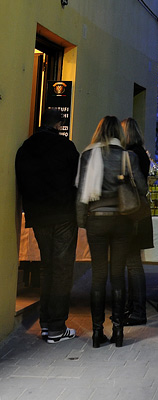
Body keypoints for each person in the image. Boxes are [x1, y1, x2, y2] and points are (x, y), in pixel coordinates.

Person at [76, 115, 147, 348]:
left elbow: (80, 193)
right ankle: (118, 331)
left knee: (98, 276)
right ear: (118, 132)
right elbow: (143, 188)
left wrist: (82, 222)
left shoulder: (88, 155)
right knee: (117, 275)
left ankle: (97, 333)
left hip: (96, 219)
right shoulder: (129, 157)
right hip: (122, 222)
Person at [15, 109, 80, 344]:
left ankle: (45, 324)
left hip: (38, 216)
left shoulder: (25, 148)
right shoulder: (66, 147)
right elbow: (78, 179)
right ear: (59, 124)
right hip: (63, 215)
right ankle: (56, 327)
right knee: (62, 269)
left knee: (47, 267)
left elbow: (22, 181)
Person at [120, 117, 153, 326]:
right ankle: (133, 307)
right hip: (141, 211)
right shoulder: (142, 153)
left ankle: (138, 310)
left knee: (132, 263)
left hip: (133, 212)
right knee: (134, 262)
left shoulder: (130, 154)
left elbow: (138, 185)